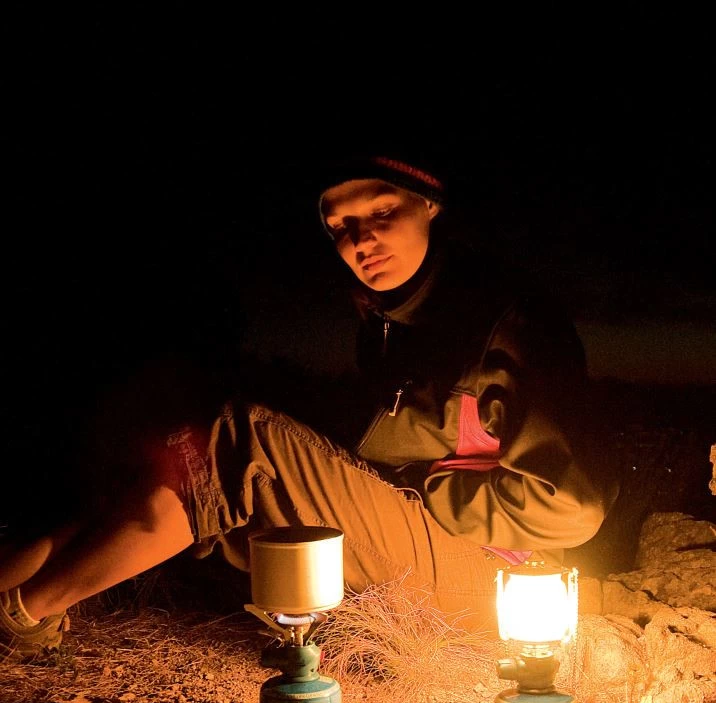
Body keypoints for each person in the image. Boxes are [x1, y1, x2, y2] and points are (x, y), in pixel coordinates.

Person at [0, 149, 619, 662]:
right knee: (179, 462)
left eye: (382, 211)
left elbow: (575, 507)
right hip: (419, 537)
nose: (362, 239)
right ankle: (16, 596)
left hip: (495, 573)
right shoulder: (387, 321)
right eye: (340, 226)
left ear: (429, 205)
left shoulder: (508, 323)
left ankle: (27, 612)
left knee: (241, 440)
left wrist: (433, 488)